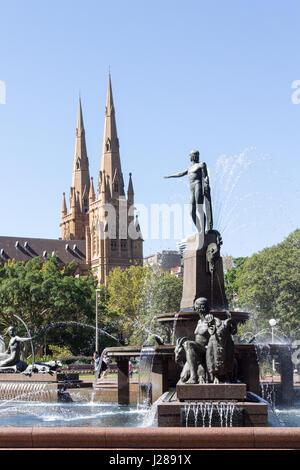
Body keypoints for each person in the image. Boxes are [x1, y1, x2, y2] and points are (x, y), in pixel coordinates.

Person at [164, 150, 213, 233]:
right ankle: (199, 230)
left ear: (193, 156)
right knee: (191, 212)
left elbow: (205, 177)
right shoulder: (190, 168)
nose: (190, 157)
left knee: (199, 208)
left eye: (191, 155)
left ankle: (203, 230)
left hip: (198, 185)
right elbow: (180, 174)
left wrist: (206, 185)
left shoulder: (201, 164)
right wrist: (170, 176)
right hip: (192, 188)